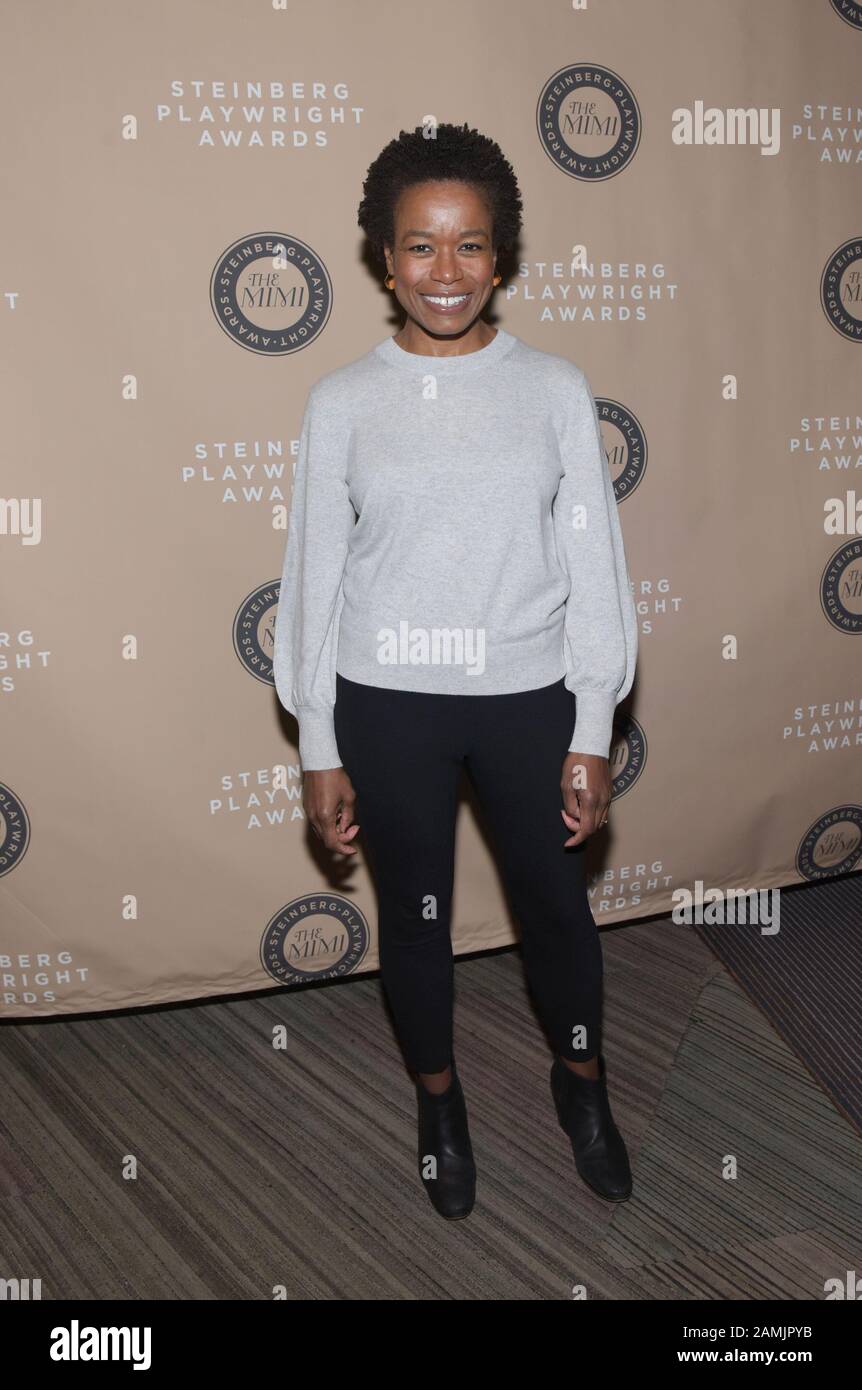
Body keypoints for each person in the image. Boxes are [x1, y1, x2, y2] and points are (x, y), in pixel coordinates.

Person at [273, 122, 638, 1220]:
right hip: (389, 707)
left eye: (469, 246)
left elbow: (594, 568)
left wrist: (589, 724)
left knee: (558, 921)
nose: (446, 272)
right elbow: (314, 581)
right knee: (417, 921)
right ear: (386, 261)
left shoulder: (555, 388)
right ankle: (439, 1104)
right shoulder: (341, 402)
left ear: (502, 255)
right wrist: (321, 742)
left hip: (528, 698)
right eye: (421, 248)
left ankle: (583, 1082)